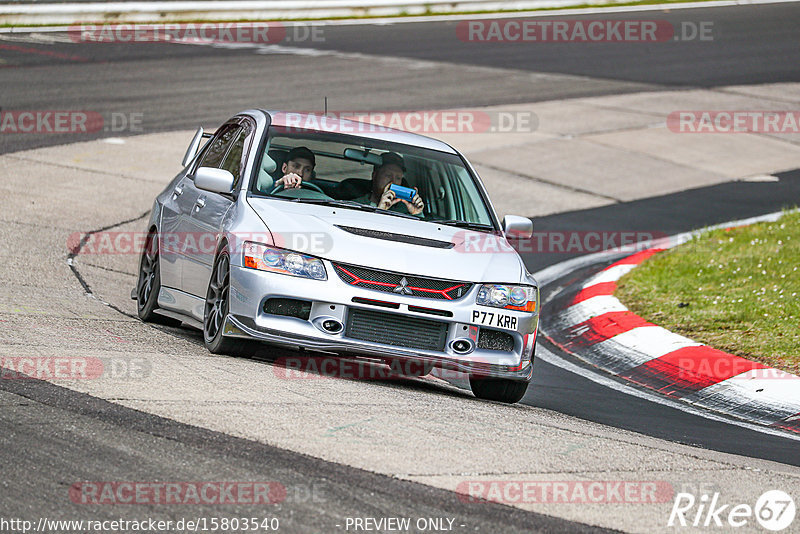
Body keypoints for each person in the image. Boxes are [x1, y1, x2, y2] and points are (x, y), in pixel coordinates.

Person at [354, 152, 424, 216]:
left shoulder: (404, 209)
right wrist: (380, 210)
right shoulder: (356, 205)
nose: (393, 182)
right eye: (388, 175)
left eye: (398, 178)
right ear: (374, 175)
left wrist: (417, 213)